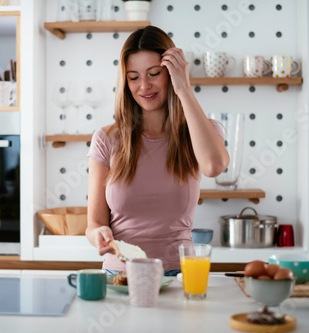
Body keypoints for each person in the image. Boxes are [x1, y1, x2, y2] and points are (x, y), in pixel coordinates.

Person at [85, 26, 230, 276]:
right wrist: (98, 234)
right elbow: (94, 224)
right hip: (120, 276)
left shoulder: (201, 131)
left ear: (171, 73)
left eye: (154, 74)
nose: (144, 86)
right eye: (133, 77)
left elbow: (214, 166)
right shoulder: (106, 139)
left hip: (178, 275)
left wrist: (183, 88)